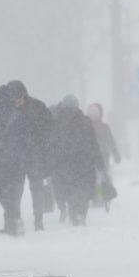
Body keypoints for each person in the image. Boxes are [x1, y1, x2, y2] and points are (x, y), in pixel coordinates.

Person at [5, 80, 54, 231]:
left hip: (34, 155)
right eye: (14, 98)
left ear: (24, 95)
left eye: (19, 97)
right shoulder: (9, 110)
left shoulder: (37, 107)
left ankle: (38, 221)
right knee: (16, 190)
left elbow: (50, 128)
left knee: (36, 189)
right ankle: (16, 219)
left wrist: (43, 147)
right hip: (18, 156)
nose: (17, 101)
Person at [50, 95, 103, 226]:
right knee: (83, 190)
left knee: (70, 189)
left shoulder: (57, 122)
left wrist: (50, 160)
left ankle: (74, 213)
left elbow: (52, 143)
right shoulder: (85, 121)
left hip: (64, 164)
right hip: (84, 163)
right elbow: (93, 143)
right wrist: (99, 161)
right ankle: (81, 214)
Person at [0, 85, 28, 236]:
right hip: (18, 163)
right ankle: (13, 222)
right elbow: (26, 141)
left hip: (1, 162)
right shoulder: (20, 117)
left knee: (3, 193)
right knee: (16, 193)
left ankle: (13, 222)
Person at [86, 102, 120, 209]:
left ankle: (99, 197)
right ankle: (94, 196)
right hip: (89, 158)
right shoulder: (85, 126)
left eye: (95, 114)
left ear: (99, 115)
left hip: (102, 158)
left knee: (99, 180)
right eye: (91, 114)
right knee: (92, 179)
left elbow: (111, 141)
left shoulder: (104, 127)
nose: (93, 116)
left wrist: (116, 154)